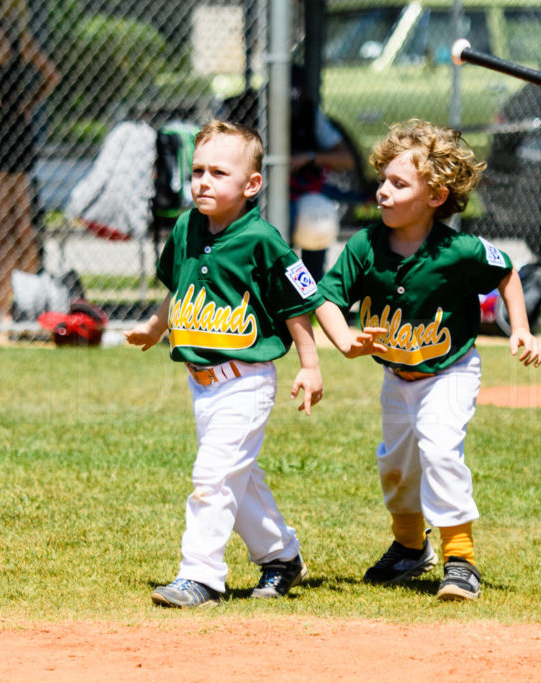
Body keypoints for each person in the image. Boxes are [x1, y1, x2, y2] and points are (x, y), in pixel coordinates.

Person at [313, 119, 541, 601]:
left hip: (451, 371)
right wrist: (342, 337)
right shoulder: (365, 246)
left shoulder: (456, 250)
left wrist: (520, 328)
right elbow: (326, 297)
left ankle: (460, 560)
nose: (382, 191)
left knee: (440, 449)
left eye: (399, 184)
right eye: (383, 180)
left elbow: (507, 272)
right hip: (398, 377)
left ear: (436, 197)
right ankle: (408, 547)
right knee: (396, 466)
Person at [125, 120, 331, 608]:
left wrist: (311, 364)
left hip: (246, 381)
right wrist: (156, 328)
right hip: (201, 383)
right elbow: (179, 290)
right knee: (238, 479)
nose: (203, 181)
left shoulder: (261, 239)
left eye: (219, 172)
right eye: (198, 170)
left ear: (251, 185)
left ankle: (201, 577)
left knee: (213, 477)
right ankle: (282, 557)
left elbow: (295, 308)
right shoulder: (186, 227)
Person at [0, 0, 60, 323]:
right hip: (18, 132)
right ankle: (31, 305)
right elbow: (52, 76)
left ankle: (2, 307)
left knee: (1, 228)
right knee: (22, 223)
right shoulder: (22, 39)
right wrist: (28, 104)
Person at [288, 64, 358, 281]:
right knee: (281, 235)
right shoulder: (253, 108)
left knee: (316, 214)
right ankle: (283, 291)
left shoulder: (309, 113)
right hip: (260, 195)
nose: (290, 106)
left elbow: (347, 159)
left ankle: (311, 291)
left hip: (299, 192)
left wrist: (309, 157)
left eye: (295, 99)